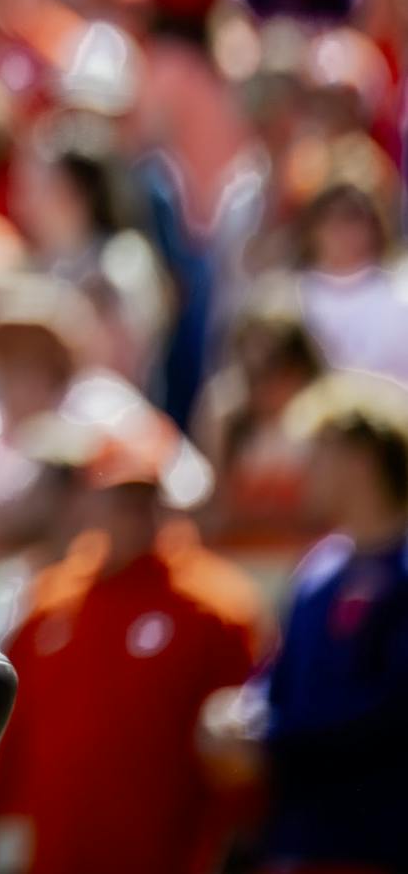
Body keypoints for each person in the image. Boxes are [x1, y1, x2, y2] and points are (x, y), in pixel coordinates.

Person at [0, 416, 265, 874]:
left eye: (146, 499)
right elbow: (18, 723)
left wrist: (235, 838)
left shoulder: (217, 606)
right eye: (121, 498)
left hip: (165, 853)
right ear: (91, 501)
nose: (134, 513)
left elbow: (239, 743)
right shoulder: (51, 598)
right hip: (58, 850)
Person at [202, 370, 408, 874]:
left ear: (359, 459)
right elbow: (279, 673)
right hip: (297, 837)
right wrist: (236, 712)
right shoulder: (320, 568)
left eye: (318, 454)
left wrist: (271, 740)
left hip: (379, 841)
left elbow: (392, 710)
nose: (304, 472)